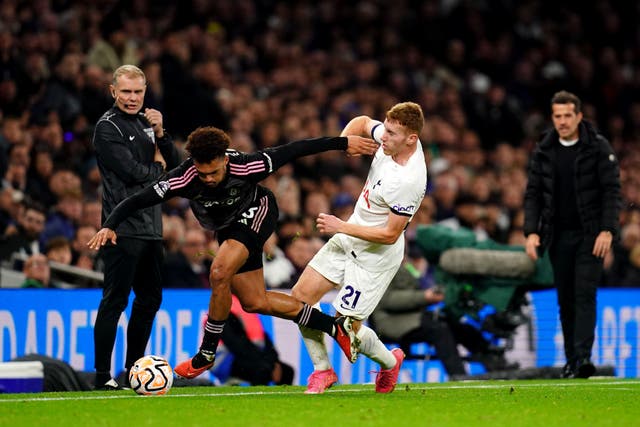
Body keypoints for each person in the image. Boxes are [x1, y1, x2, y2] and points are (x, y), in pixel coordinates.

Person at [87, 126, 378, 381]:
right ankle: (334, 326)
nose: (209, 179)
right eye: (203, 173)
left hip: (258, 211)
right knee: (254, 302)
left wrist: (343, 143)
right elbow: (139, 198)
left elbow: (296, 149)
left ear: (225, 159)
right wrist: (110, 224)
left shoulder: (248, 165)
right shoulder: (184, 177)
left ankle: (206, 353)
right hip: (228, 227)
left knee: (218, 271)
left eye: (214, 172)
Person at [290, 102, 428, 394]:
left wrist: (340, 226)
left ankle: (390, 363)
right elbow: (364, 122)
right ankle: (323, 370)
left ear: (411, 139)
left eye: (391, 133)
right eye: (386, 130)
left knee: (346, 327)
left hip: (375, 256)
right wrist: (345, 143)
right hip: (351, 235)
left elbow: (390, 234)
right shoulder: (391, 139)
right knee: (301, 298)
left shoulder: (409, 180)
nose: (384, 137)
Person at [91, 64, 181, 390]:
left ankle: (133, 370)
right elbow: (133, 173)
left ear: (145, 92)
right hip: (121, 227)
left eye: (138, 92)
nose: (132, 98)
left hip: (151, 229)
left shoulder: (147, 123)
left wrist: (162, 135)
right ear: (113, 91)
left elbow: (178, 166)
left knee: (149, 300)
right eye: (126, 92)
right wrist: (158, 167)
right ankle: (102, 376)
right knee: (115, 300)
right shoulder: (107, 127)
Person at [523, 90, 621, 379]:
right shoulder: (544, 150)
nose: (563, 121)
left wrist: (607, 230)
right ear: (552, 118)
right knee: (565, 298)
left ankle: (582, 358)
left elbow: (612, 191)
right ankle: (572, 360)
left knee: (584, 294)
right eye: (557, 116)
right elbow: (533, 194)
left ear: (579, 116)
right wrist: (531, 232)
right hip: (558, 236)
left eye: (568, 115)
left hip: (590, 235)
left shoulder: (598, 147)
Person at [369, 265, 468, 378]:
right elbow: (387, 300)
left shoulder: (406, 264)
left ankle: (490, 366)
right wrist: (424, 297)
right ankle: (459, 376)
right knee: (439, 329)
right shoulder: (383, 266)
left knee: (458, 327)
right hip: (390, 322)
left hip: (412, 316)